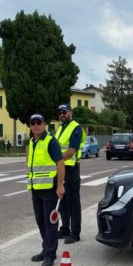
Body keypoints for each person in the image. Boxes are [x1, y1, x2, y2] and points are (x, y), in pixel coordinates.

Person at [27, 113, 65, 266]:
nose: (35, 125)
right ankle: (45, 249)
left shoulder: (50, 141)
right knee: (40, 221)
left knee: (50, 223)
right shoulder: (31, 142)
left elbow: (60, 163)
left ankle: (50, 255)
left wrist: (60, 186)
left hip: (49, 189)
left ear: (44, 124)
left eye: (38, 122)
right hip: (36, 189)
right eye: (33, 122)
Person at [55, 104, 86, 244]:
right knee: (62, 202)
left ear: (70, 113)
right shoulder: (60, 129)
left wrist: (58, 159)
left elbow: (72, 150)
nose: (62, 115)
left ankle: (75, 233)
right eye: (60, 113)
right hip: (61, 168)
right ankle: (65, 228)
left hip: (71, 169)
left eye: (64, 112)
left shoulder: (76, 128)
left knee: (73, 202)